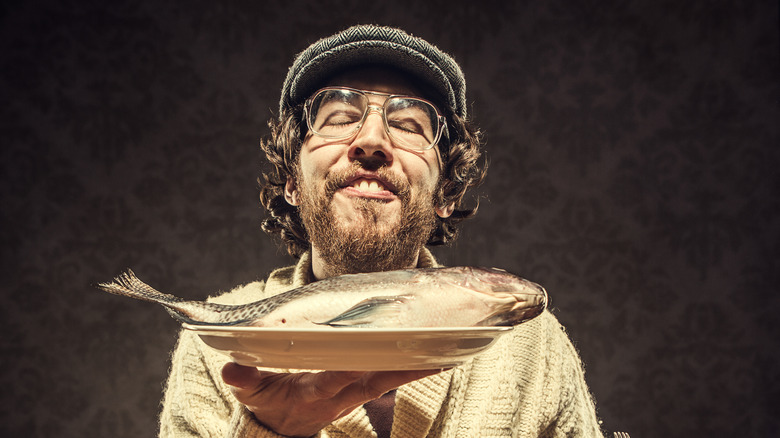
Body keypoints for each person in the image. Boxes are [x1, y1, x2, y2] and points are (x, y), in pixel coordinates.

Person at [159, 25, 603, 438]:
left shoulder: (529, 341)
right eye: (337, 117)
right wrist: (273, 430)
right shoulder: (217, 342)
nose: (371, 140)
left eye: (409, 125)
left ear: (446, 192)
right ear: (292, 179)